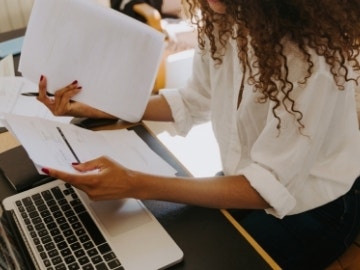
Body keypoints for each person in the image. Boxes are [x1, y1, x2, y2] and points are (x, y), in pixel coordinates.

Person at [37, 0, 360, 269]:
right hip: (246, 179)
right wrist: (99, 107)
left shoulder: (312, 58)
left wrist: (136, 183)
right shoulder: (224, 19)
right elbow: (194, 101)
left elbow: (267, 188)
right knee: (153, 243)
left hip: (317, 207)